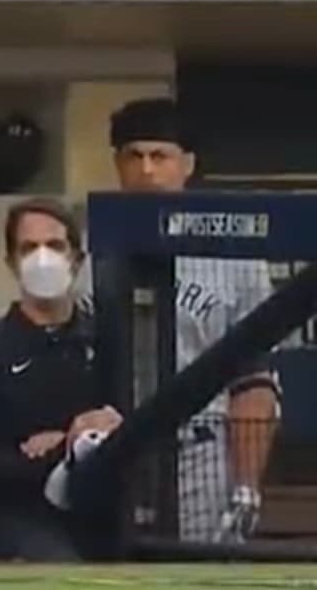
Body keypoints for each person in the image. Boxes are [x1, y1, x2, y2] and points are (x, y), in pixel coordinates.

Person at [108, 98, 281, 543]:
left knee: (203, 580)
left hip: (202, 450)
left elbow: (253, 382)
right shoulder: (91, 244)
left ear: (187, 164)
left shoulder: (236, 254)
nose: (146, 169)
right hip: (113, 449)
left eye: (159, 156)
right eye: (134, 156)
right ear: (117, 164)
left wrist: (245, 487)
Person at [0, 198, 120, 561]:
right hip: (19, 520)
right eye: (29, 248)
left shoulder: (112, 346)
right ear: (11, 263)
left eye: (55, 246)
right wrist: (62, 450)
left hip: (106, 514)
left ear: (78, 258)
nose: (43, 258)